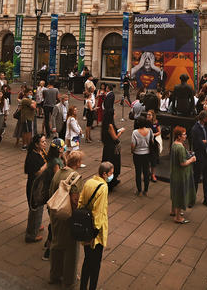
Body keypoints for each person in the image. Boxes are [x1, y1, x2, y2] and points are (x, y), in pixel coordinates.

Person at [48, 150, 84, 288]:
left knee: (56, 245)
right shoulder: (75, 177)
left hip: (55, 213)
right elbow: (75, 201)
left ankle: (54, 275)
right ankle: (69, 280)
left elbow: (51, 190)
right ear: (78, 163)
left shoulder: (59, 172)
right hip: (68, 216)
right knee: (71, 249)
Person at [78, 162, 113, 290]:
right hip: (95, 231)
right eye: (110, 173)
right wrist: (96, 230)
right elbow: (98, 211)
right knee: (96, 263)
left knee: (87, 260)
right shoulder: (103, 187)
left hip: (85, 227)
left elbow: (81, 202)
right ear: (104, 174)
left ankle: (83, 286)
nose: (111, 176)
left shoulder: (89, 182)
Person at [24, 133, 49, 243]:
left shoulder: (41, 152)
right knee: (35, 208)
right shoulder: (32, 156)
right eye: (42, 142)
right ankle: (31, 235)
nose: (45, 143)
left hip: (40, 185)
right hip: (35, 187)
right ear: (36, 145)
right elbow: (37, 172)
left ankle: (36, 225)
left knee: (39, 208)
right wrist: (47, 165)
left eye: (45, 141)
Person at [169, 126, 196, 223]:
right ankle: (178, 217)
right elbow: (183, 163)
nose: (185, 136)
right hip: (181, 175)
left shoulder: (174, 144)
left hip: (174, 173)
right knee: (180, 194)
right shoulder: (180, 147)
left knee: (175, 193)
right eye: (184, 134)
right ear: (179, 136)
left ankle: (173, 210)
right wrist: (191, 159)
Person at [191, 110, 207, 209]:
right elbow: (199, 143)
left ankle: (206, 198)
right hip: (199, 157)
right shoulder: (195, 129)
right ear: (203, 118)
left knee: (206, 178)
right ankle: (192, 199)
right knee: (196, 178)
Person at [101, 102, 123, 191]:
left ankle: (111, 181)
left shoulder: (105, 124)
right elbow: (115, 137)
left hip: (107, 147)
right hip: (112, 148)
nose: (115, 115)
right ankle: (110, 183)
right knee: (112, 164)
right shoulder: (110, 125)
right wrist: (121, 132)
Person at [130, 115, 154, 196]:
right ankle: (146, 190)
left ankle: (139, 190)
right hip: (146, 154)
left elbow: (133, 145)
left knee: (138, 172)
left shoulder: (135, 132)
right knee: (146, 172)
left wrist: (132, 151)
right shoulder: (150, 131)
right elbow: (152, 142)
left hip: (137, 154)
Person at [147, 109, 161, 182]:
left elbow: (159, 131)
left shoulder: (156, 122)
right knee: (147, 160)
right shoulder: (145, 123)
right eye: (147, 114)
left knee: (153, 160)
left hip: (154, 143)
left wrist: (154, 135)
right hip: (147, 143)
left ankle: (153, 174)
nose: (148, 116)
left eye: (149, 115)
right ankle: (147, 173)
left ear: (153, 116)